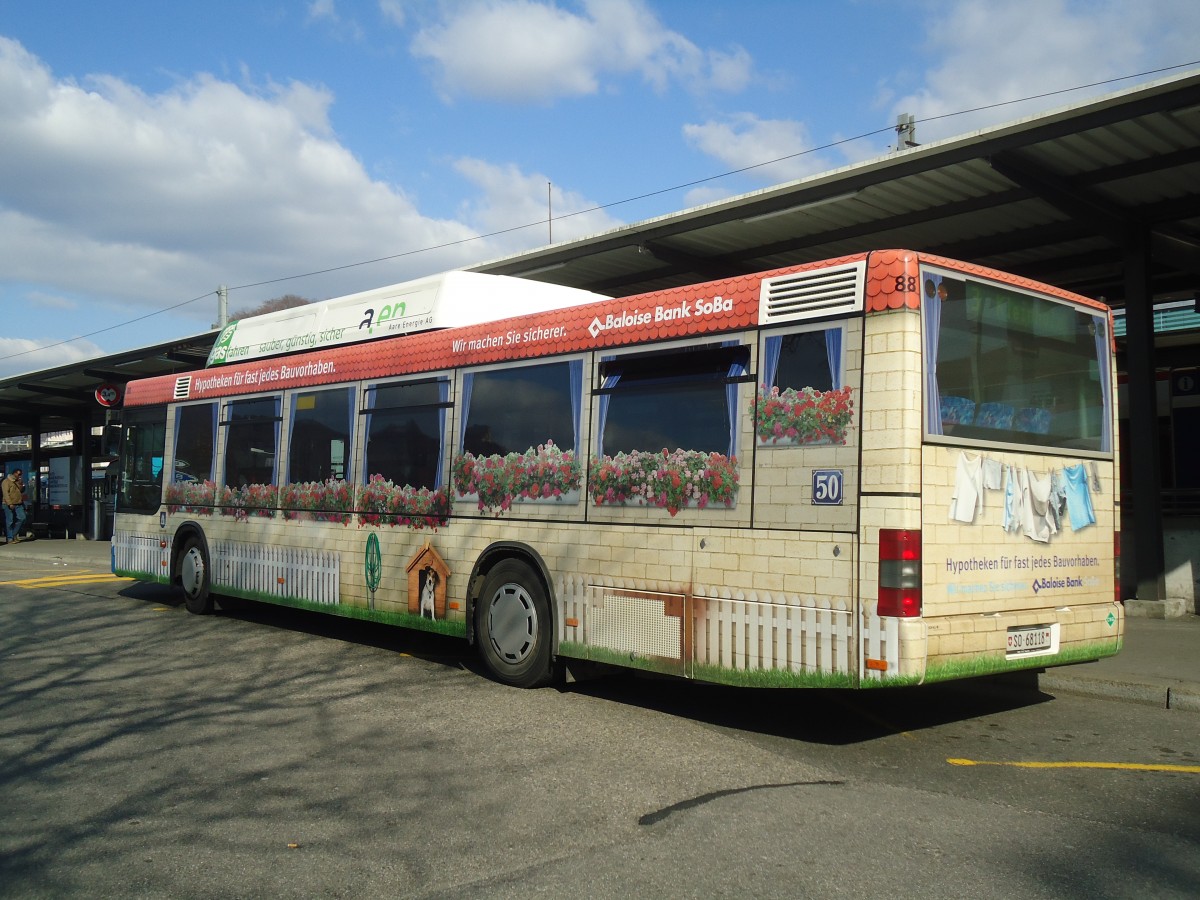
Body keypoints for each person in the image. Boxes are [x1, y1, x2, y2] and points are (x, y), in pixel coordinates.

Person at [2, 467, 28, 544]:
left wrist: (21, 484)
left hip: (18, 503)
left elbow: (21, 491)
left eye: (21, 474)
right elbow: (5, 493)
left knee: (22, 518)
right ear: (14, 473)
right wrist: (9, 503)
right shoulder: (6, 482)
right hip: (8, 504)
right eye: (18, 474)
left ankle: (13, 534)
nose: (19, 476)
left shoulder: (18, 481)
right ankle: (10, 538)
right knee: (10, 521)